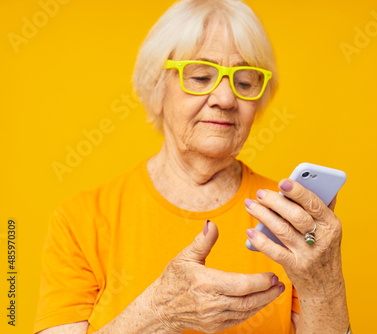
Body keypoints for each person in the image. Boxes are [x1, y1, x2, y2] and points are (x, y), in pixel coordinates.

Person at [34, 0, 351, 333]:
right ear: (156, 88)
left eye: (244, 83)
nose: (226, 99)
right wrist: (157, 314)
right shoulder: (81, 220)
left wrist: (324, 285)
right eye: (201, 76)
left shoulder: (291, 221)